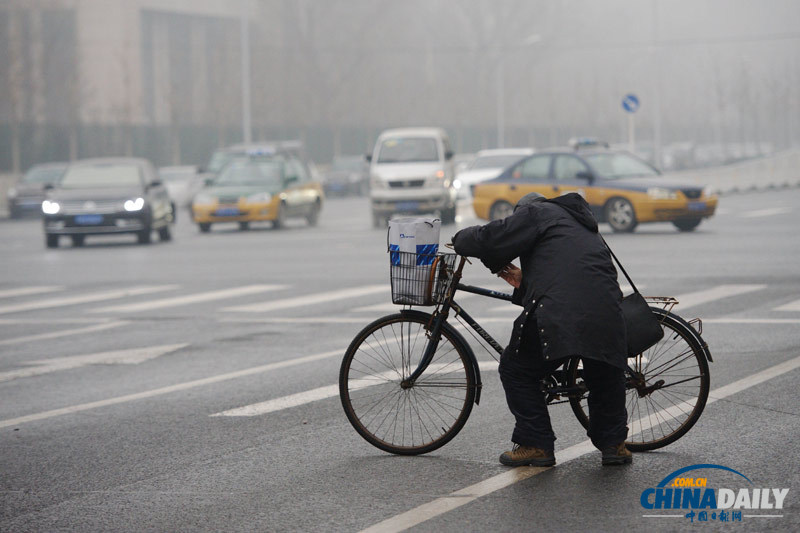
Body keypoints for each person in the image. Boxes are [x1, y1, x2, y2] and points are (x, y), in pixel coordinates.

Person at [452, 192, 632, 467]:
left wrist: (459, 240)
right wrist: (524, 281)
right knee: (604, 372)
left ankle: (536, 444)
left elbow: (491, 236)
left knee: (516, 368)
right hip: (607, 307)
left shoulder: (535, 213)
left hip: (564, 312)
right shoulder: (578, 221)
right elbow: (565, 271)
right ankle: (615, 445)